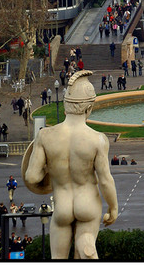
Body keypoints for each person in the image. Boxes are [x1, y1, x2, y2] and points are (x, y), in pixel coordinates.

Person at [23, 70, 119, 259]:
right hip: (88, 205)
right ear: (89, 107)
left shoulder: (45, 136)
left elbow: (31, 177)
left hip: (62, 207)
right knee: (85, 241)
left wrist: (50, 172)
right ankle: (86, 248)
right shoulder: (97, 139)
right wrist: (113, 207)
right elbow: (105, 180)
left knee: (57, 258)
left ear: (66, 104)